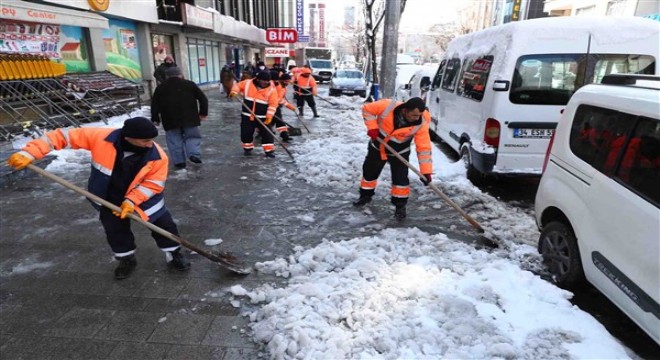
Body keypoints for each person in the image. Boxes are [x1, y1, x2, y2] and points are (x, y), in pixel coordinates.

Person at [7, 117, 191, 279]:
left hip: (146, 199)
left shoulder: (157, 156)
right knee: (115, 230)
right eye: (145, 140)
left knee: (163, 225)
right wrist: (29, 153)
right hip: (107, 197)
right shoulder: (101, 138)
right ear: (128, 137)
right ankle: (126, 259)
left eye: (152, 139)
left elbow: (152, 184)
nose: (150, 144)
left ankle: (174, 253)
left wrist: (131, 201)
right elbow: (61, 137)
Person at [352, 97, 433, 220]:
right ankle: (365, 196)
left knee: (400, 180)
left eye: (419, 115)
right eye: (413, 115)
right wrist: (372, 128)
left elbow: (424, 147)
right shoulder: (387, 106)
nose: (416, 118)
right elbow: (367, 110)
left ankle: (400, 206)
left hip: (400, 152)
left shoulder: (421, 122)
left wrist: (426, 171)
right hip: (378, 148)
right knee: (369, 173)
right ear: (405, 110)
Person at [151, 66, 208, 169]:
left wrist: (155, 118)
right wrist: (203, 113)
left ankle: (179, 161)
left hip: (170, 119)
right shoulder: (189, 84)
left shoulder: (161, 87)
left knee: (174, 139)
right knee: (192, 137)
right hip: (190, 118)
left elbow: (155, 104)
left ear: (167, 76)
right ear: (180, 74)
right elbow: (203, 99)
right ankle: (193, 154)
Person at [229, 71, 279, 158]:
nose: (265, 82)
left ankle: (269, 151)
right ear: (258, 79)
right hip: (247, 115)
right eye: (263, 80)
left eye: (267, 81)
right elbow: (237, 86)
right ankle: (247, 149)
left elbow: (273, 104)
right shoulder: (248, 83)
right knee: (246, 133)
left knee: (267, 134)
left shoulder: (271, 89)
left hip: (263, 117)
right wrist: (234, 91)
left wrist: (269, 117)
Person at [272, 72, 298, 142]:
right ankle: (284, 136)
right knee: (280, 121)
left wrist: (290, 106)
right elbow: (278, 99)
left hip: (276, 106)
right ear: (281, 80)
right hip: (272, 106)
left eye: (288, 81)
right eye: (286, 81)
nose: (287, 83)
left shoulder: (283, 87)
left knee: (274, 121)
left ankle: (283, 135)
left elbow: (281, 98)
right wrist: (289, 106)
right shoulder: (278, 87)